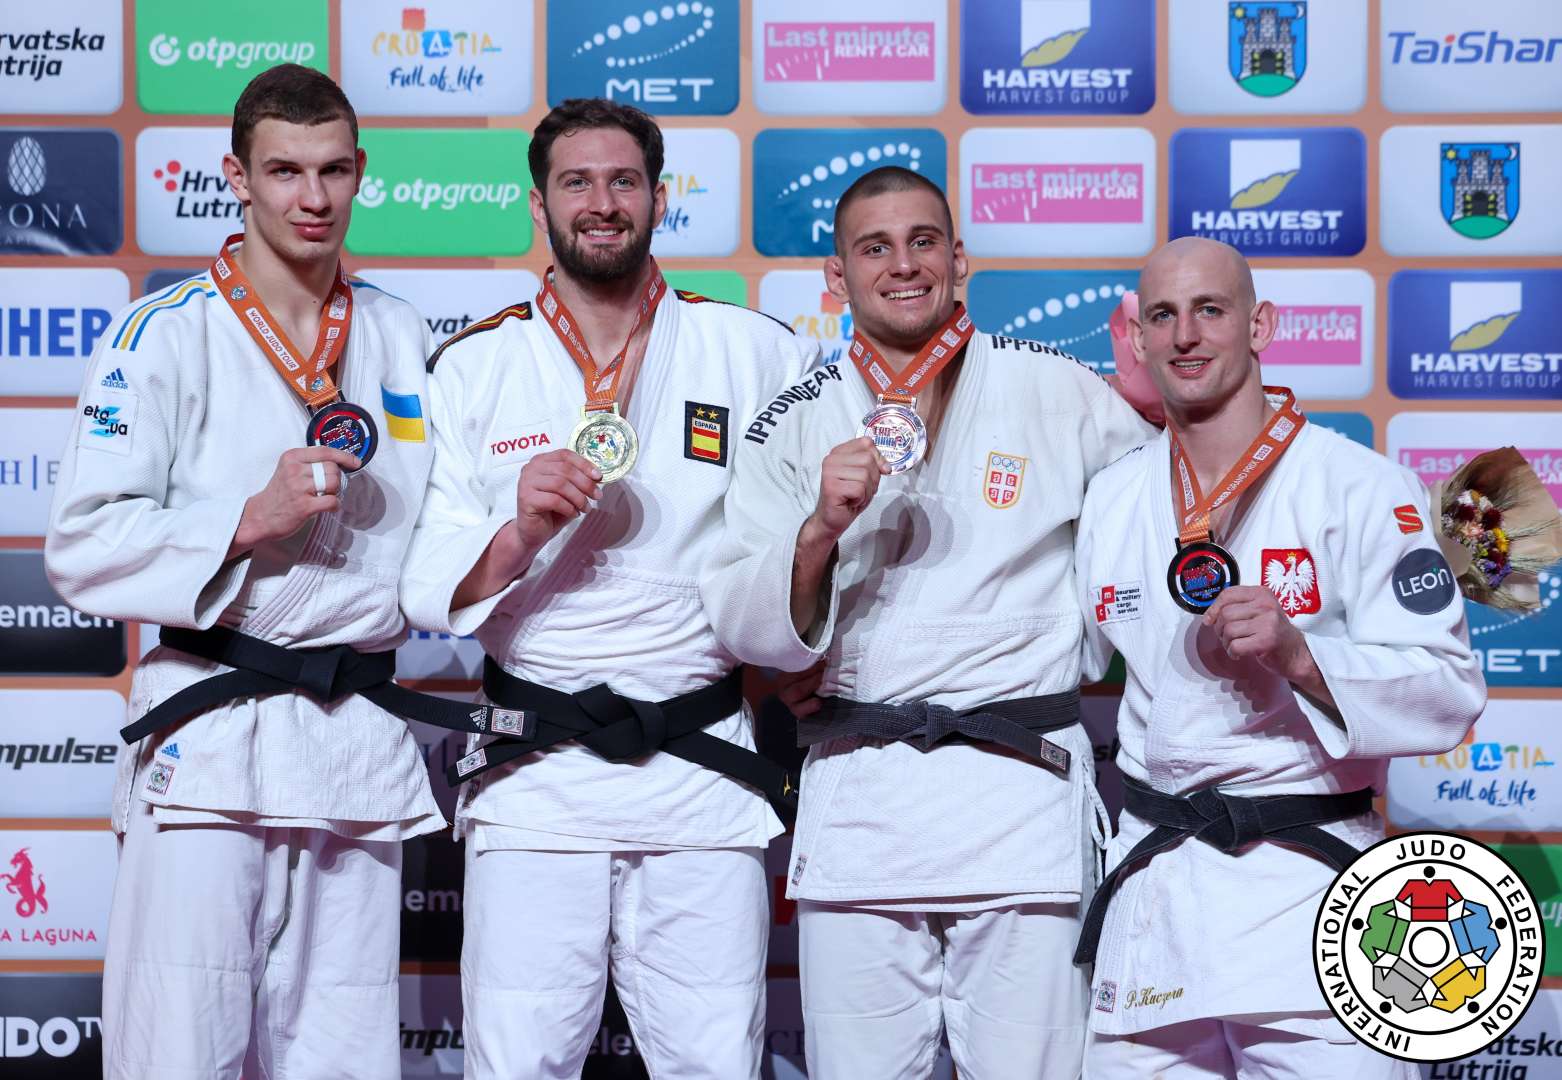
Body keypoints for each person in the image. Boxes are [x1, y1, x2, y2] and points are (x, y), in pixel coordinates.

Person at [44, 65, 459, 1078]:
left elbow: (442, 527)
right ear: (235, 176)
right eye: (284, 171)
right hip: (212, 746)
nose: (311, 199)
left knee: (345, 1060)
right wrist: (244, 521)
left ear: (361, 174)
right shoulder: (164, 334)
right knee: (177, 1054)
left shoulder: (401, 333)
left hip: (355, 749)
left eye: (331, 171)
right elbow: (80, 545)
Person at [702, 165, 1157, 1079]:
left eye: (923, 242)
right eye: (875, 247)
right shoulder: (789, 423)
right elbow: (747, 627)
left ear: (959, 259)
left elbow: (1155, 539)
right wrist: (819, 532)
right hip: (861, 802)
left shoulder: (1062, 392)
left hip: (1020, 801)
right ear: (837, 278)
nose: (902, 265)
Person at [400, 98, 819, 1080]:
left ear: (659, 198)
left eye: (622, 181)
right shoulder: (471, 367)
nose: (601, 203)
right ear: (538, 203)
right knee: (515, 1065)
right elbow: (421, 581)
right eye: (576, 182)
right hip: (536, 783)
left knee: (717, 1063)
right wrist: (517, 529)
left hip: (702, 779)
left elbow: (815, 540)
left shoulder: (755, 353)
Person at [1072, 237, 1486, 1078]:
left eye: (1210, 311)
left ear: (1260, 325)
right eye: (1163, 316)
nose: (1186, 335)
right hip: (1159, 898)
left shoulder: (1362, 487)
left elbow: (1449, 690)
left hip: (1309, 896)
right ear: (1139, 339)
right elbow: (1056, 660)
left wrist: (1304, 656)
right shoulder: (1112, 499)